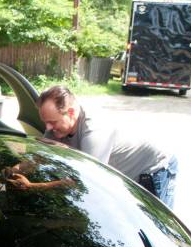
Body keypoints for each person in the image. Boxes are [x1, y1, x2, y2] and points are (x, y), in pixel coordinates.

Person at [36, 85, 178, 207]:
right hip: (123, 176)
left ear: (71, 112)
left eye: (52, 122)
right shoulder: (55, 127)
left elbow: (88, 181)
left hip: (153, 169)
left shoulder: (94, 129)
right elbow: (41, 156)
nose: (48, 128)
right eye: (45, 122)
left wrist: (37, 186)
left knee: (156, 226)